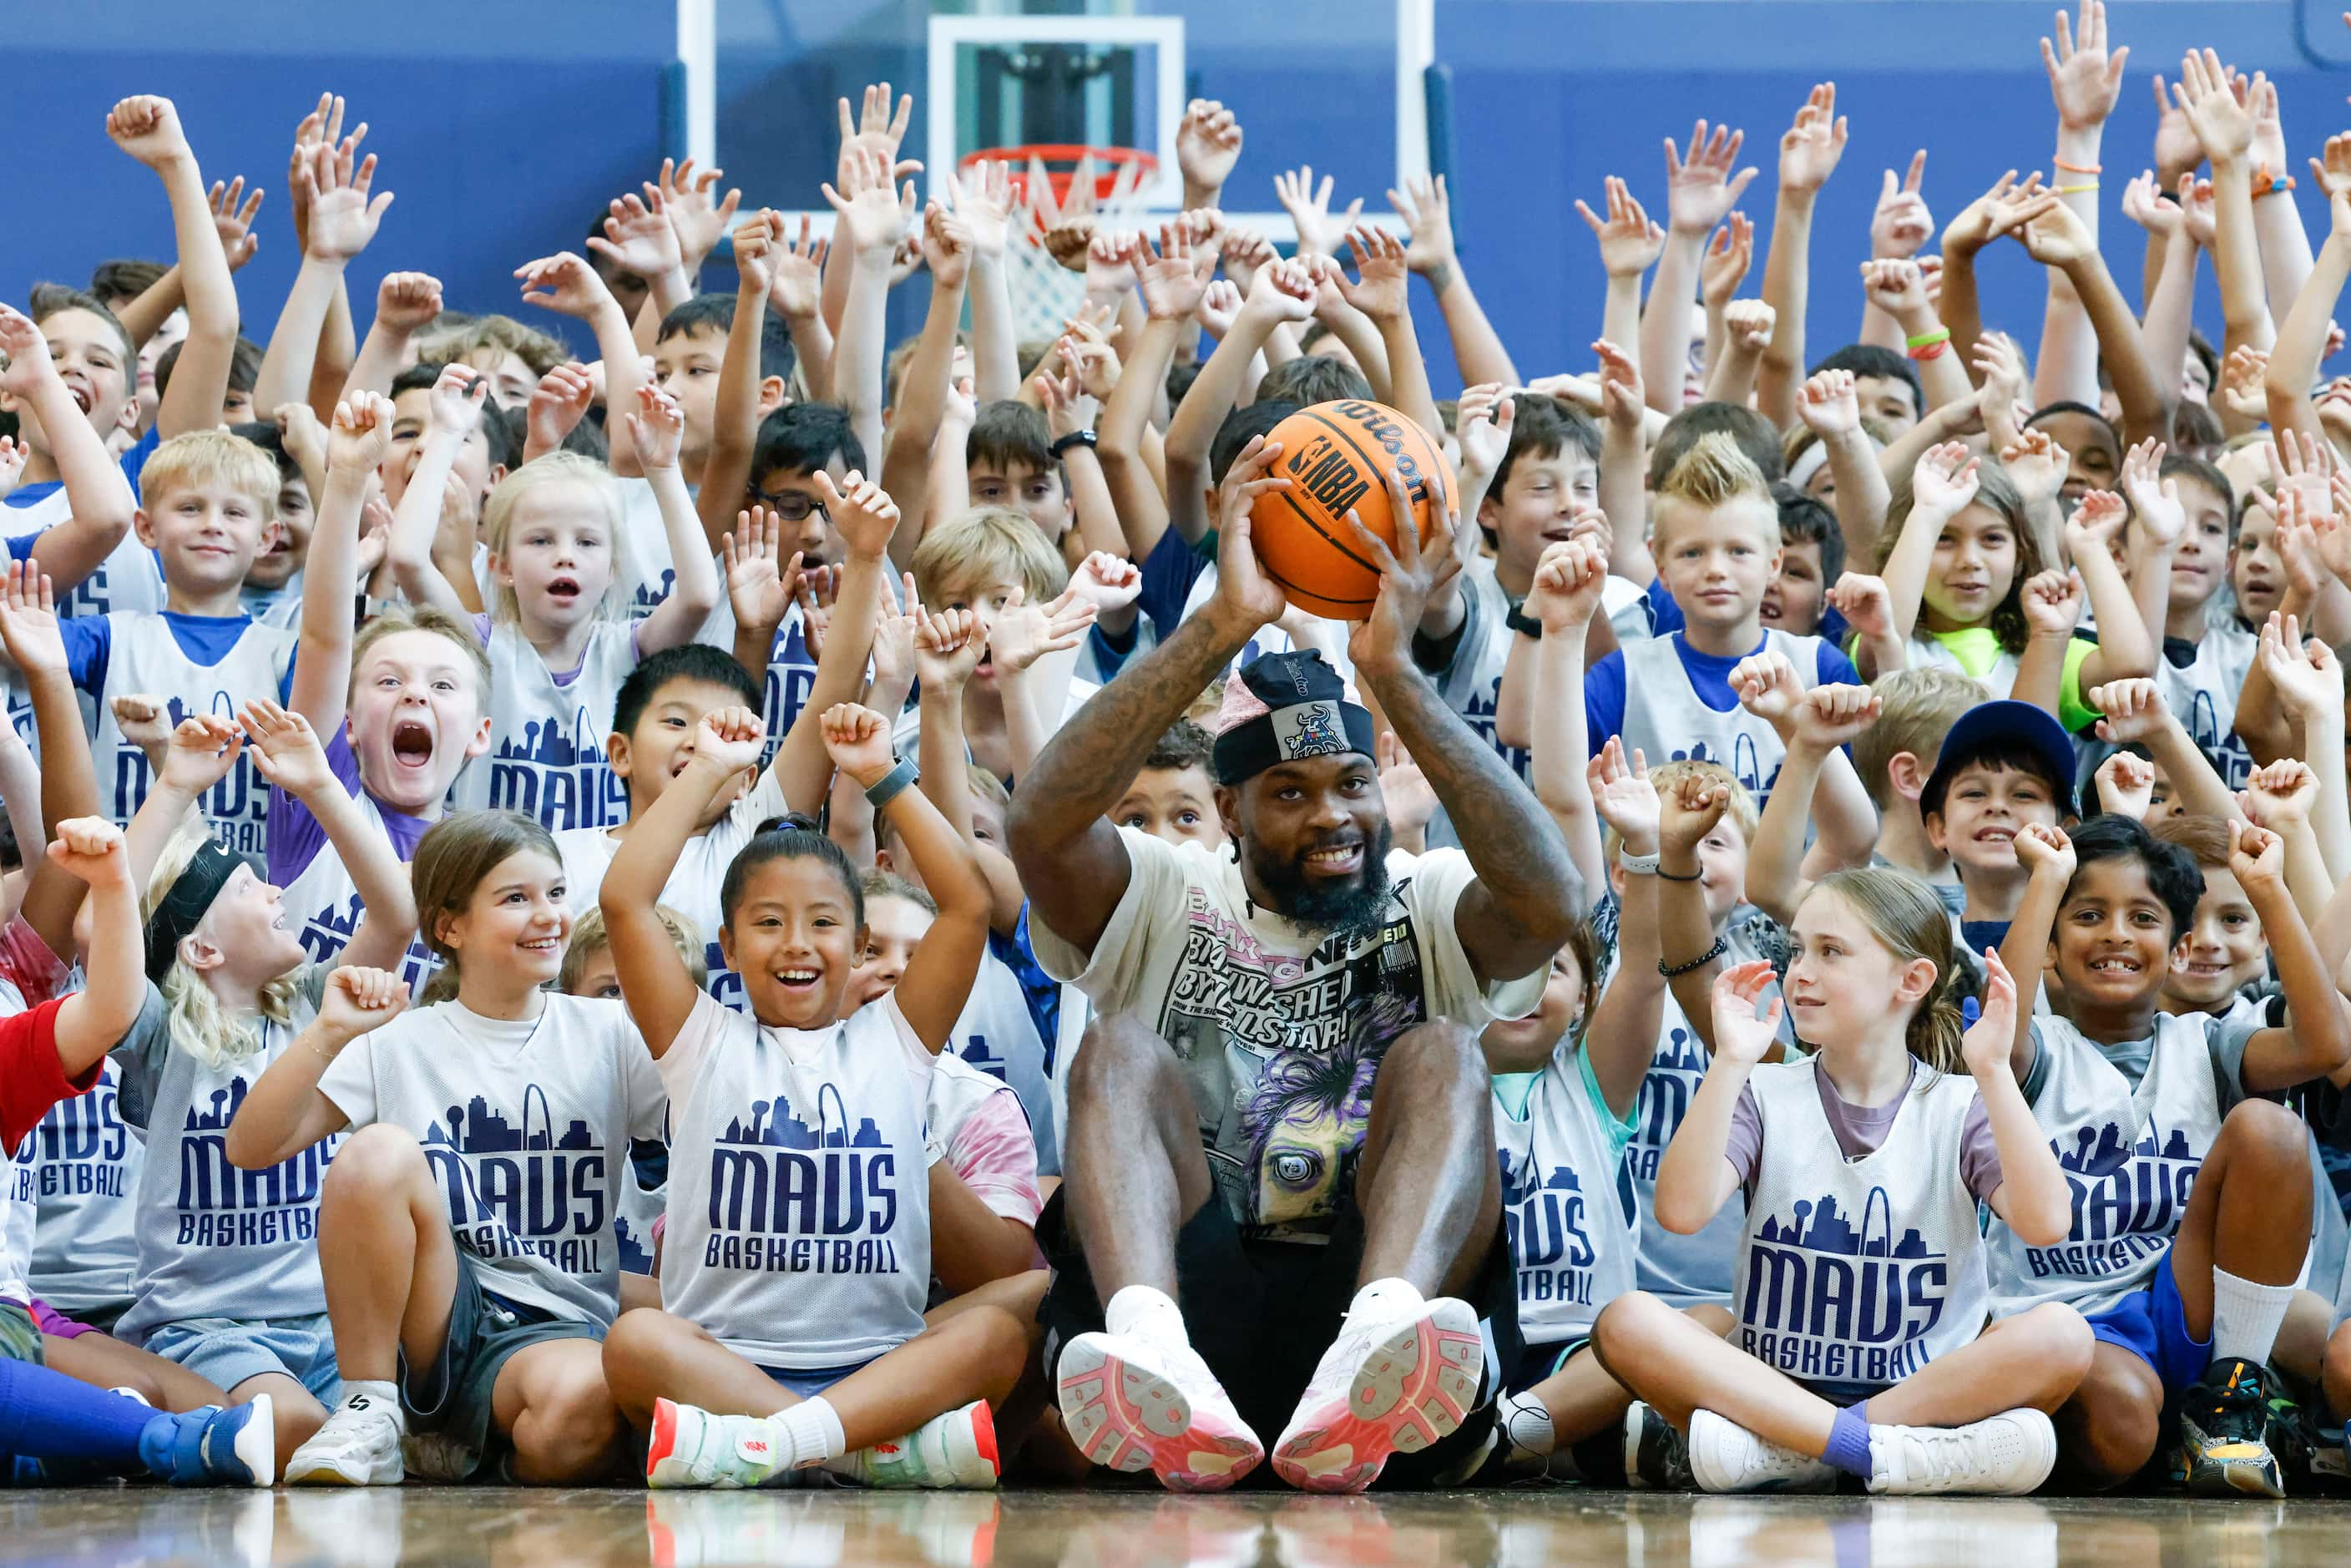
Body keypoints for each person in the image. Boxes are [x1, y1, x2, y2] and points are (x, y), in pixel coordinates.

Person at [1008, 442, 1577, 1493]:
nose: (1334, 817)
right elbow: (1039, 827)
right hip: (1191, 1323)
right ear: (1225, 811)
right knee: (1117, 1048)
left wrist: (1395, 676)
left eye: (1352, 783)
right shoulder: (1164, 889)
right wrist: (1217, 625)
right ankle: (1145, 1343)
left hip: (1382, 1353)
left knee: (1447, 1053)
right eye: (1290, 791)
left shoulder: (1425, 892)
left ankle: (1382, 1333)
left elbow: (1552, 903)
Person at [595, 702, 1021, 1490]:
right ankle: (857, 1452)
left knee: (996, 1334)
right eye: (767, 923)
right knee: (636, 1343)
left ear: (860, 945)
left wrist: (881, 777)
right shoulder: (700, 1041)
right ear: (727, 946)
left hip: (878, 1368)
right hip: (723, 1366)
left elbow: (966, 902)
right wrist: (710, 774)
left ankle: (778, 1446)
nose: (796, 942)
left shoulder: (898, 1039)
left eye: (823, 922)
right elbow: (624, 899)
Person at [1592, 867, 2088, 1495]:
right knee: (1628, 1321)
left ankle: (1803, 1453)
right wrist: (1730, 1060)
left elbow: (2048, 1224)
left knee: (2063, 1335)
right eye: (1798, 949)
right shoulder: (1763, 1091)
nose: (1800, 971)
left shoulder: (1960, 1103)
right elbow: (1682, 1211)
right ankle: (1887, 1456)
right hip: (1772, 1386)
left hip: (1921, 1390)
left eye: (1831, 952)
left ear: (1911, 981)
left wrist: (1992, 1071)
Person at [225, 810, 669, 1486]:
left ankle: (452, 1451)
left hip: (556, 1326)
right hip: (437, 1317)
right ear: (449, 927)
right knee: (376, 1153)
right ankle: (370, 1409)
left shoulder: (610, 1032)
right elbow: (250, 1147)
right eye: (516, 898)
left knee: (574, 1424)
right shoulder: (400, 1039)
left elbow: (701, 1142)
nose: (548, 915)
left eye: (554, 892)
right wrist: (331, 1030)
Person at [1997, 813, 2351, 1496]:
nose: (2116, 935)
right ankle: (2164, 1447)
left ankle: (2232, 1402)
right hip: (2066, 1318)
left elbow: (2326, 1046)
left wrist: (2269, 891)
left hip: (2184, 1302)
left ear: (2178, 945)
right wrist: (2046, 879)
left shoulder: (2207, 1042)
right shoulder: (2036, 1050)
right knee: (2122, 1430)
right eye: (2089, 915)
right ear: (2050, 947)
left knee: (2269, 1130)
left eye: (2143, 918)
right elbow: (1998, 1034)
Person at [387, 367, 719, 832]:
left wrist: (663, 471)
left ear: (612, 572)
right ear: (501, 566)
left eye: (587, 543)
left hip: (600, 898)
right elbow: (406, 556)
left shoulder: (627, 649)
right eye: (541, 541)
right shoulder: (479, 648)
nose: (565, 557)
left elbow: (701, 595)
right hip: (493, 888)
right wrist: (444, 434)